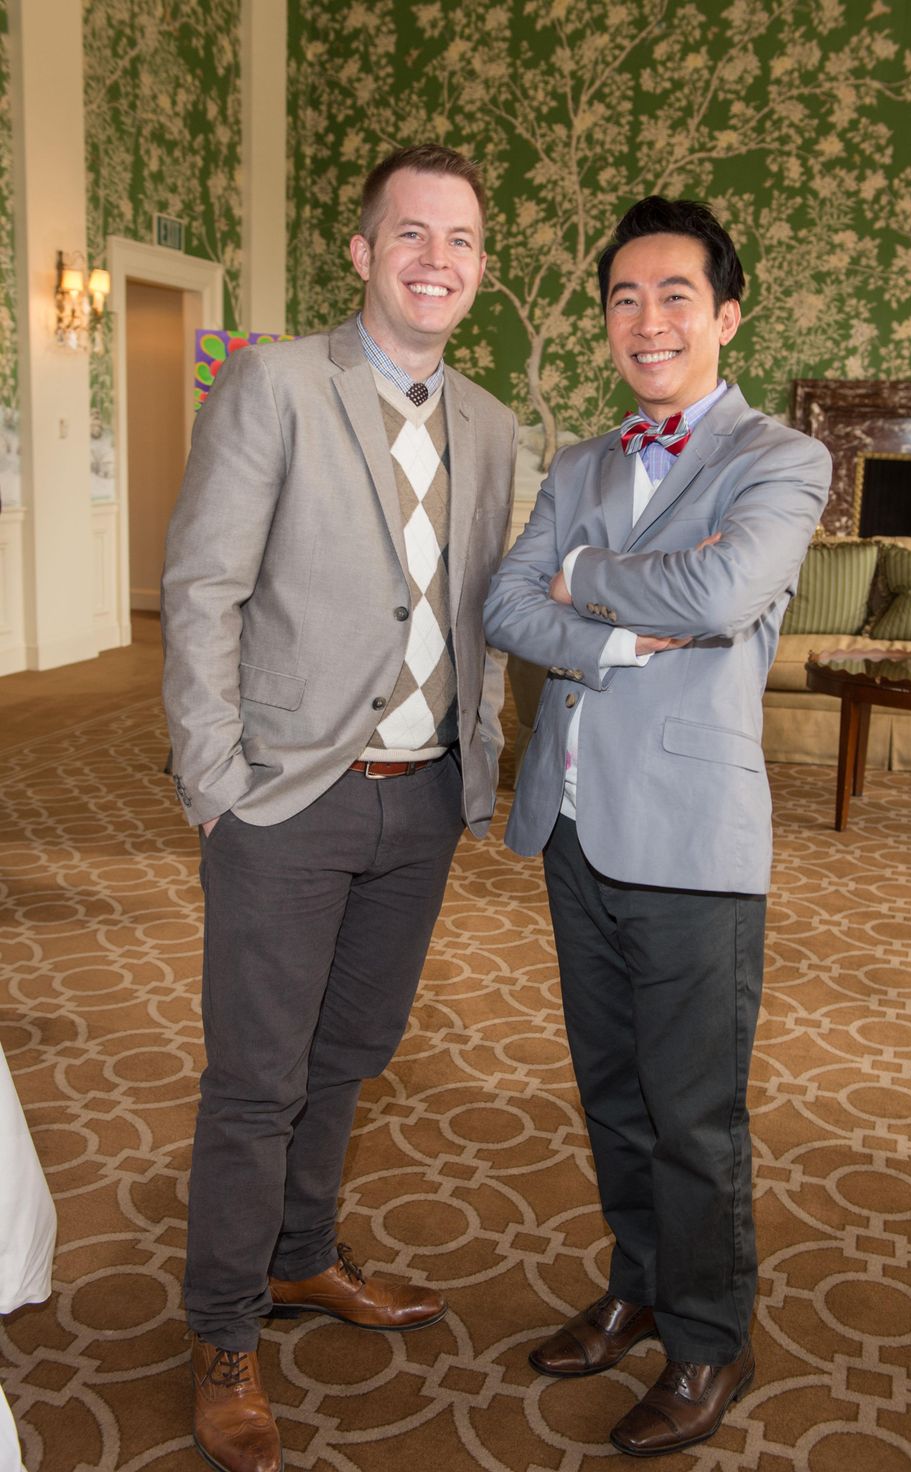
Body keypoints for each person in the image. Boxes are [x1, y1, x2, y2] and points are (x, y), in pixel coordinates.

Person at [162, 143, 517, 1472]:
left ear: (482, 267)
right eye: (411, 233)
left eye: (464, 238)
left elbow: (476, 614)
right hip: (286, 799)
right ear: (363, 254)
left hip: (421, 804)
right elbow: (202, 588)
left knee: (350, 1055)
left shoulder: (488, 423)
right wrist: (214, 784)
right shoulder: (274, 384)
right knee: (255, 1079)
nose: (438, 257)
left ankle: (305, 1256)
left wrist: (477, 764)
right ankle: (224, 1332)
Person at [484, 196, 831, 1457]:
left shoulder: (778, 459)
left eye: (673, 294)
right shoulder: (578, 463)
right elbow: (506, 606)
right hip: (572, 824)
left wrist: (579, 579)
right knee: (612, 1092)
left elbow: (727, 587)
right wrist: (620, 620)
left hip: (689, 833)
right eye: (623, 297)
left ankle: (706, 1337)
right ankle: (635, 1283)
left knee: (693, 1112)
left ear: (723, 312)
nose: (646, 319)